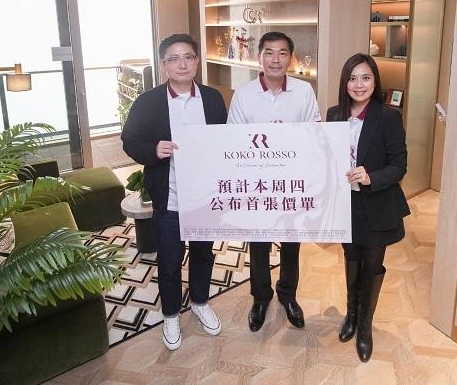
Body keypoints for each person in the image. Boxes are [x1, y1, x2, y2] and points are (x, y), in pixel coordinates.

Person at [121, 33, 228, 351]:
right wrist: (154, 150)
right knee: (169, 259)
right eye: (174, 58)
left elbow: (225, 142)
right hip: (170, 197)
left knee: (203, 253)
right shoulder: (148, 102)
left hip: (205, 197)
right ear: (163, 64)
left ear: (197, 61)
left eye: (189, 57)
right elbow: (129, 140)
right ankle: (170, 314)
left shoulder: (212, 98)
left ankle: (200, 302)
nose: (182, 64)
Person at [228, 31, 321, 332]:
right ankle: (260, 297)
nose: (276, 59)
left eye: (282, 53)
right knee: (258, 243)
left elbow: (315, 130)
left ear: (291, 58)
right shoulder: (243, 95)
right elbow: (233, 138)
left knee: (292, 243)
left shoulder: (304, 91)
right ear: (260, 57)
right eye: (269, 52)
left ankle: (288, 295)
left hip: (292, 182)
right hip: (258, 184)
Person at [325, 53, 409, 363]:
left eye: (366, 77)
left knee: (372, 265)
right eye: (352, 78)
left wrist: (371, 175)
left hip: (377, 204)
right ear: (344, 82)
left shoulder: (388, 117)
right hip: (344, 204)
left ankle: (364, 325)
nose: (359, 85)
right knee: (351, 258)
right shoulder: (334, 114)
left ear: (375, 81)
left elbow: (399, 166)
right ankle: (350, 314)